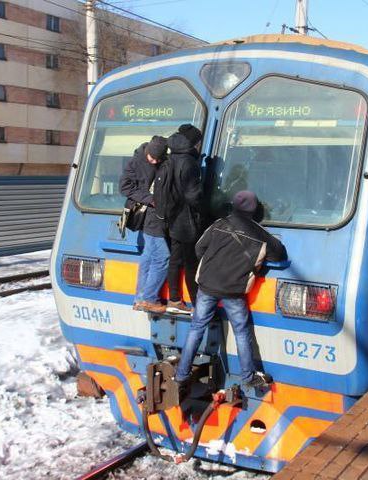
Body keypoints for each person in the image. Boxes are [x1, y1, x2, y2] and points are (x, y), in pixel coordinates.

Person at [175, 190, 287, 389]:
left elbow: (199, 248)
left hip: (207, 285)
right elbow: (279, 254)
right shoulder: (260, 234)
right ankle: (248, 377)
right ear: (255, 210)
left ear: (233, 206)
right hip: (233, 291)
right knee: (241, 332)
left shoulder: (219, 224)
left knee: (196, 327)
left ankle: (182, 375)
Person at [119, 135, 169, 314]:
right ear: (147, 152)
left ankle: (140, 298)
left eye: (158, 159)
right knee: (163, 257)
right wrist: (150, 200)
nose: (154, 161)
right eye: (151, 158)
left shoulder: (164, 160)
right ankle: (149, 298)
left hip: (155, 215)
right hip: (146, 214)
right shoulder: (135, 162)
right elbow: (124, 188)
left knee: (148, 257)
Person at [164, 124, 204, 314]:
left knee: (175, 258)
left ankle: (174, 298)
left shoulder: (171, 157)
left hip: (171, 216)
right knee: (191, 262)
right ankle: (197, 303)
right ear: (194, 143)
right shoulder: (189, 162)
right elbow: (193, 196)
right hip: (187, 219)